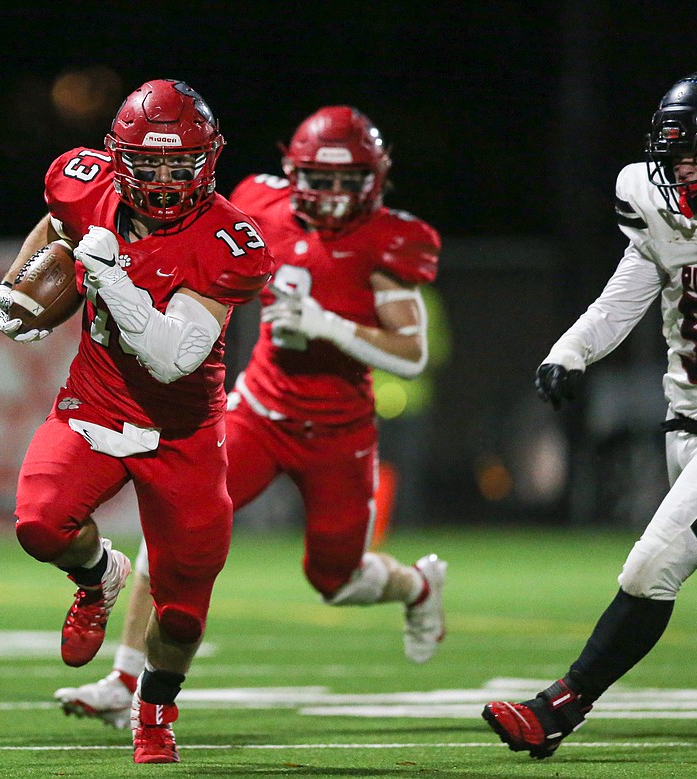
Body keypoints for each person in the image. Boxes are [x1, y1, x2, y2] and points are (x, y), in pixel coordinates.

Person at [53, 105, 447, 729]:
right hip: (258, 412)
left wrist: (327, 324)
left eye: (349, 181)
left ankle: (419, 588)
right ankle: (126, 680)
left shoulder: (390, 240)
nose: (334, 195)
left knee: (336, 579)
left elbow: (413, 353)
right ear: (292, 172)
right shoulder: (256, 204)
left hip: (339, 433)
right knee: (174, 536)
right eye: (320, 178)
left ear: (376, 180)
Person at [0, 79, 274, 764]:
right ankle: (98, 577)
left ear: (208, 162)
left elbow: (178, 356)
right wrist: (18, 279)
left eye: (181, 164)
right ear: (120, 159)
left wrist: (113, 280)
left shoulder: (232, 241)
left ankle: (154, 711)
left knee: (181, 611)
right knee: (38, 522)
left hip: (183, 435)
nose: (166, 179)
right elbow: (58, 223)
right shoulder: (81, 181)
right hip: (98, 404)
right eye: (149, 164)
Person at [482, 71, 697, 760]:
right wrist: (569, 352)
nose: (683, 172)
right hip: (686, 425)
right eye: (677, 157)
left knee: (650, 567)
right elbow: (622, 296)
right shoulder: (660, 212)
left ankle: (557, 707)